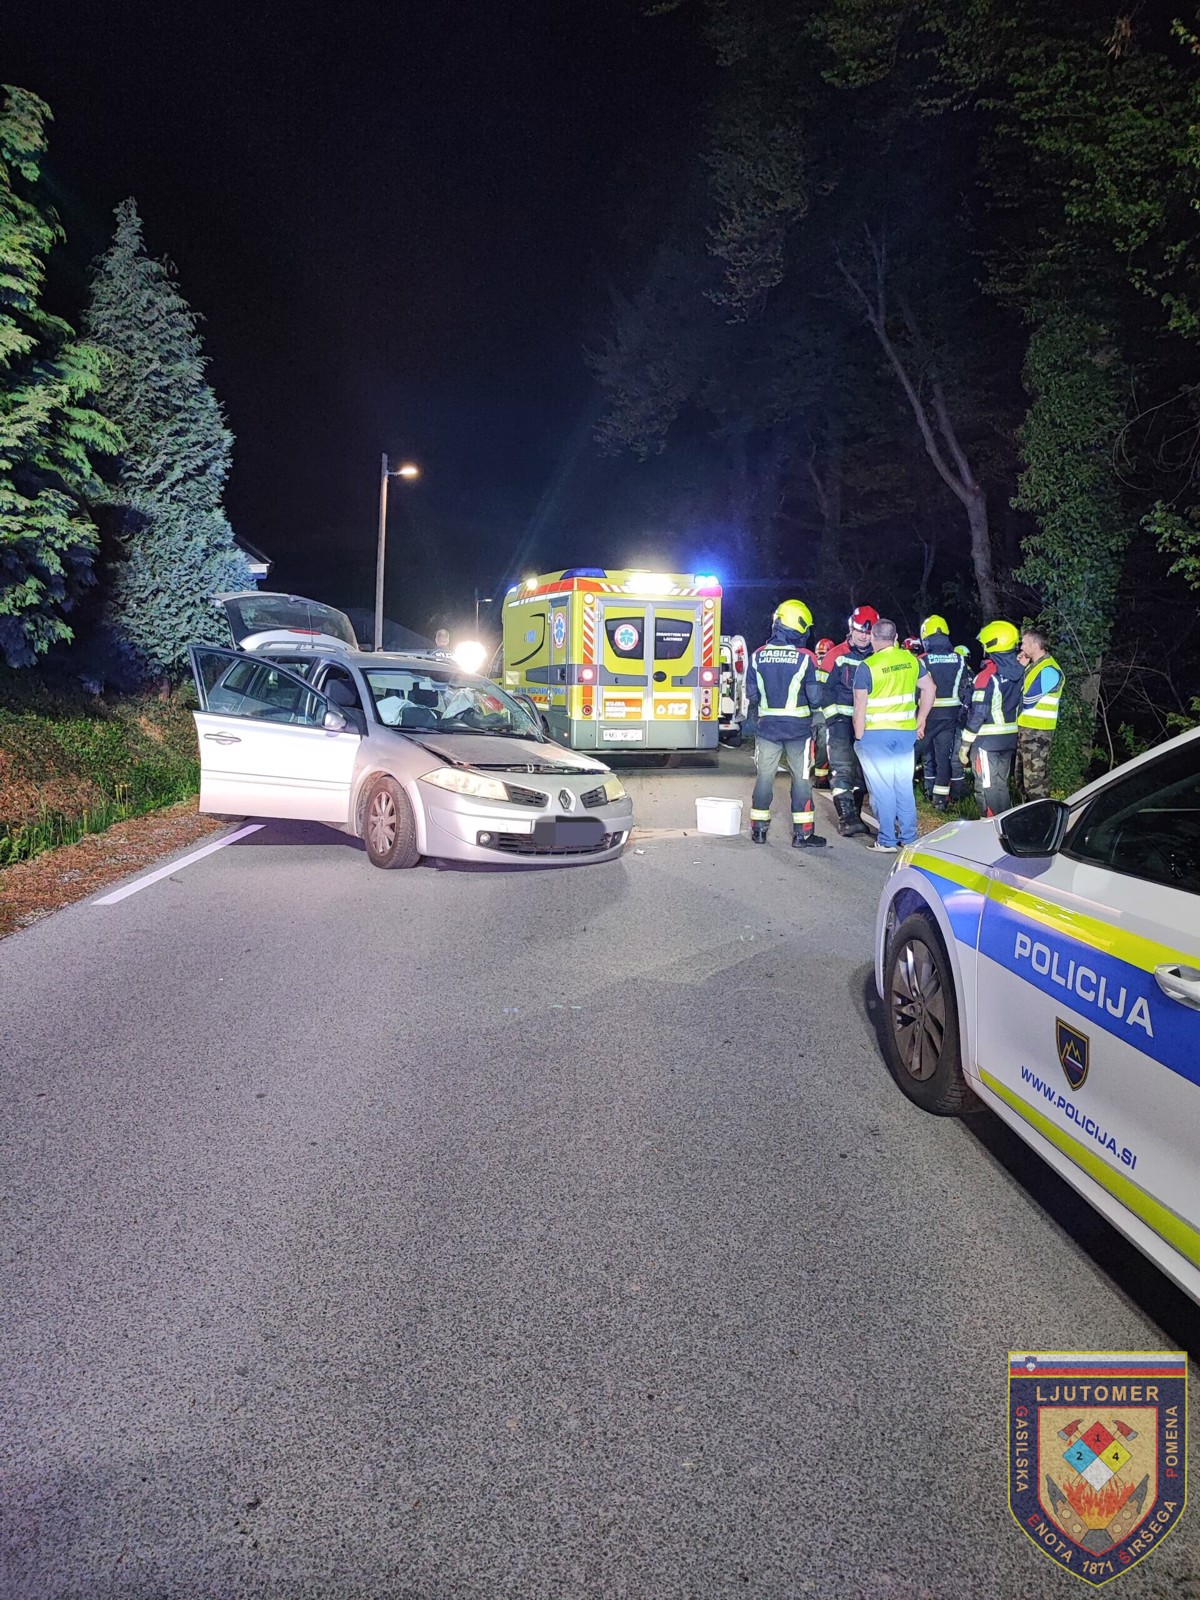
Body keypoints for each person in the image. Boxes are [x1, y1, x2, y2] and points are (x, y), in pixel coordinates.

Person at [746, 599, 827, 848]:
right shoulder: (806, 658)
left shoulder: (758, 655)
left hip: (767, 728)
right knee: (801, 780)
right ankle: (802, 835)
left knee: (764, 778)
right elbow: (815, 698)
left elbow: (751, 694)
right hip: (798, 731)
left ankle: (759, 830)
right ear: (799, 625)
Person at [852, 617, 934, 852]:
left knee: (883, 789)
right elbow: (930, 688)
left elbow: (860, 707)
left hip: (876, 736)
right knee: (903, 787)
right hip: (905, 734)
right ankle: (909, 837)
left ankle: (887, 840)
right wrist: (921, 720)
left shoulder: (867, 667)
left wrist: (859, 737)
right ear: (896, 638)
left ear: (874, 639)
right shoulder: (911, 660)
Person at [820, 604, 879, 836]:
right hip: (841, 722)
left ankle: (855, 814)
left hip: (868, 725)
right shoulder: (836, 655)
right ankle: (847, 818)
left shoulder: (878, 657)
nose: (863, 636)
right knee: (842, 770)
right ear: (851, 629)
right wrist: (833, 718)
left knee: (862, 773)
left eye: (868, 632)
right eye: (860, 631)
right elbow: (823, 691)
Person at [958, 620, 1024, 817]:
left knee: (987, 788)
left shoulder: (986, 676)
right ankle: (1007, 826)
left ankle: (990, 832)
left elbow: (978, 714)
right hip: (1010, 739)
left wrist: (965, 744)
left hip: (986, 742)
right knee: (1000, 785)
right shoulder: (1021, 672)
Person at [916, 614, 972, 809]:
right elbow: (966, 688)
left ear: (926, 637)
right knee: (943, 758)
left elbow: (917, 690)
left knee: (911, 754)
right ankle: (940, 801)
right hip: (950, 715)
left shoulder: (922, 660)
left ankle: (904, 795)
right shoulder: (960, 659)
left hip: (927, 715)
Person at [1016, 627, 1064, 801]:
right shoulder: (1032, 667)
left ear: (1035, 646)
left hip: (1038, 734)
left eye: (1024, 643)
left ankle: (1046, 822)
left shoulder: (1049, 670)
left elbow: (1028, 700)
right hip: (1026, 731)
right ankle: (1028, 820)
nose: (1021, 647)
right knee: (1021, 782)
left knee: (1034, 784)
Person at [810, 637, 835, 787]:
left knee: (813, 745)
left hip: (810, 712)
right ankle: (821, 778)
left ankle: (812, 773)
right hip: (825, 712)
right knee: (823, 745)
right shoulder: (833, 664)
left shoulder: (811, 663)